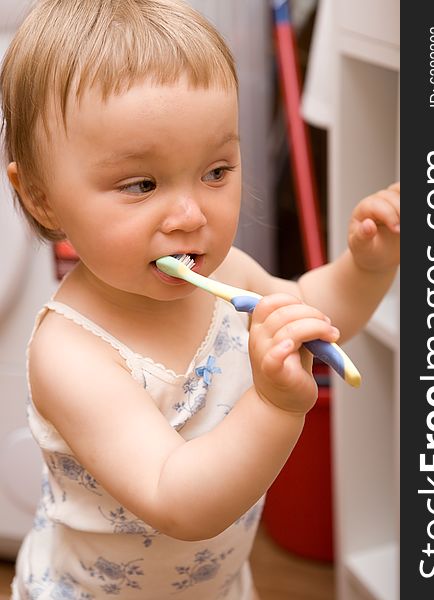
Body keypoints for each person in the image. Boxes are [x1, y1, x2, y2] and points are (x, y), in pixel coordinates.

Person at [0, 1, 400, 598]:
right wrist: (276, 406)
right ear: (40, 198)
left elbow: (313, 315)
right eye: (142, 184)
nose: (192, 216)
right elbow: (176, 499)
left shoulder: (228, 274)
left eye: (216, 171)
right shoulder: (71, 352)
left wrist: (367, 267)